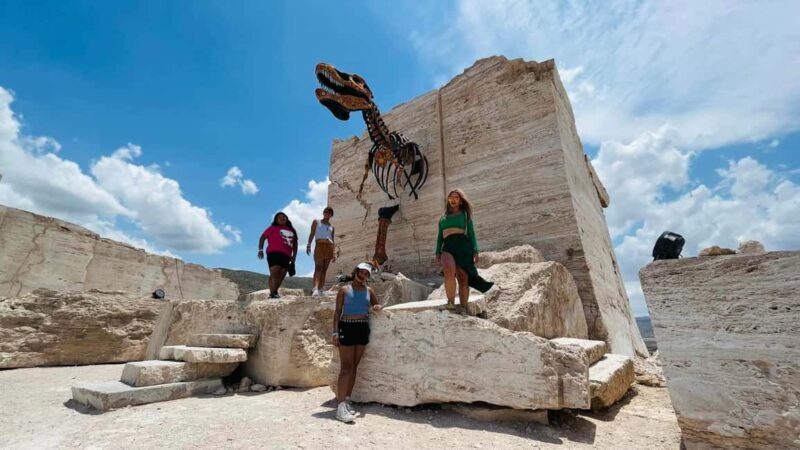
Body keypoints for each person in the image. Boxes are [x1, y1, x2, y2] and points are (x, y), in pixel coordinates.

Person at [332, 262, 382, 423]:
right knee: (346, 367)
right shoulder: (344, 290)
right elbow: (337, 312)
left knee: (354, 366)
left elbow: (376, 303)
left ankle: (346, 400)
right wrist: (335, 332)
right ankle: (340, 407)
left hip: (362, 328)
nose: (364, 276)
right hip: (347, 327)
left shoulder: (369, 290)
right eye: (362, 273)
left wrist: (376, 306)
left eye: (367, 274)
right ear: (356, 272)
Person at [434, 189, 494, 312]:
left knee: (463, 277)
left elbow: (471, 233)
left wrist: (476, 250)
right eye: (450, 197)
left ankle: (463, 307)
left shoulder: (465, 215)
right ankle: (450, 303)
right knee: (448, 271)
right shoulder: (442, 219)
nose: (453, 200)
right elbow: (440, 236)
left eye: (456, 197)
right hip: (447, 247)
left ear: (460, 201)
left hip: (463, 246)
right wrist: (437, 252)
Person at [257, 212, 298, 298]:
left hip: (287, 255)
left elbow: (295, 244)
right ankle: (273, 293)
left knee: (282, 274)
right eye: (279, 217)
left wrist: (294, 257)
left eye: (284, 217)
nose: (282, 218)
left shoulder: (292, 231)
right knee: (275, 272)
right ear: (276, 220)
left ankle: (274, 291)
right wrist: (260, 249)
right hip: (273, 252)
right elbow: (262, 238)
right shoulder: (272, 228)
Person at [306, 206, 336, 297]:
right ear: (323, 213)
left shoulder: (332, 227)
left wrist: (334, 252)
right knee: (318, 267)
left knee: (325, 270)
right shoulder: (316, 222)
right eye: (326, 212)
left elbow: (332, 239)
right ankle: (315, 288)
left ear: (331, 215)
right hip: (319, 245)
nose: (327, 214)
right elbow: (312, 233)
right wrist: (308, 244)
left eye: (329, 213)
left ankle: (321, 289)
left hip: (329, 247)